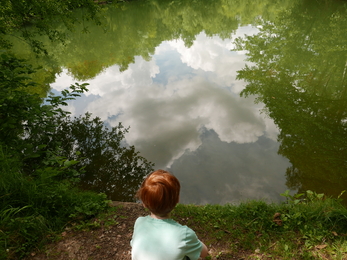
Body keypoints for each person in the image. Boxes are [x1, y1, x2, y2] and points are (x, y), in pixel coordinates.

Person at [130, 169, 209, 260]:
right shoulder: (184, 234)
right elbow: (204, 253)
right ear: (177, 200)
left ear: (144, 203)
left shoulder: (139, 222)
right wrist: (193, 241)